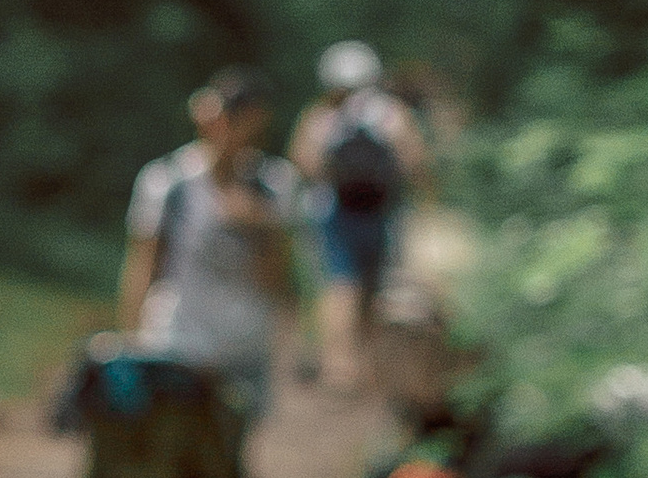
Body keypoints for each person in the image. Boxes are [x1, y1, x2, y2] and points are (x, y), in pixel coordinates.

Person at [118, 69, 300, 423]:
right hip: (177, 342)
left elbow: (276, 281)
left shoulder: (276, 185)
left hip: (244, 347)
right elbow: (144, 265)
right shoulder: (166, 181)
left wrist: (260, 227)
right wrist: (131, 340)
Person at [288, 40, 426, 395]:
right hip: (382, 212)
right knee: (377, 287)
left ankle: (339, 367)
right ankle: (373, 367)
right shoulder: (390, 113)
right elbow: (415, 161)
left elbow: (302, 161)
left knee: (339, 286)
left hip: (334, 213)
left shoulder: (320, 116)